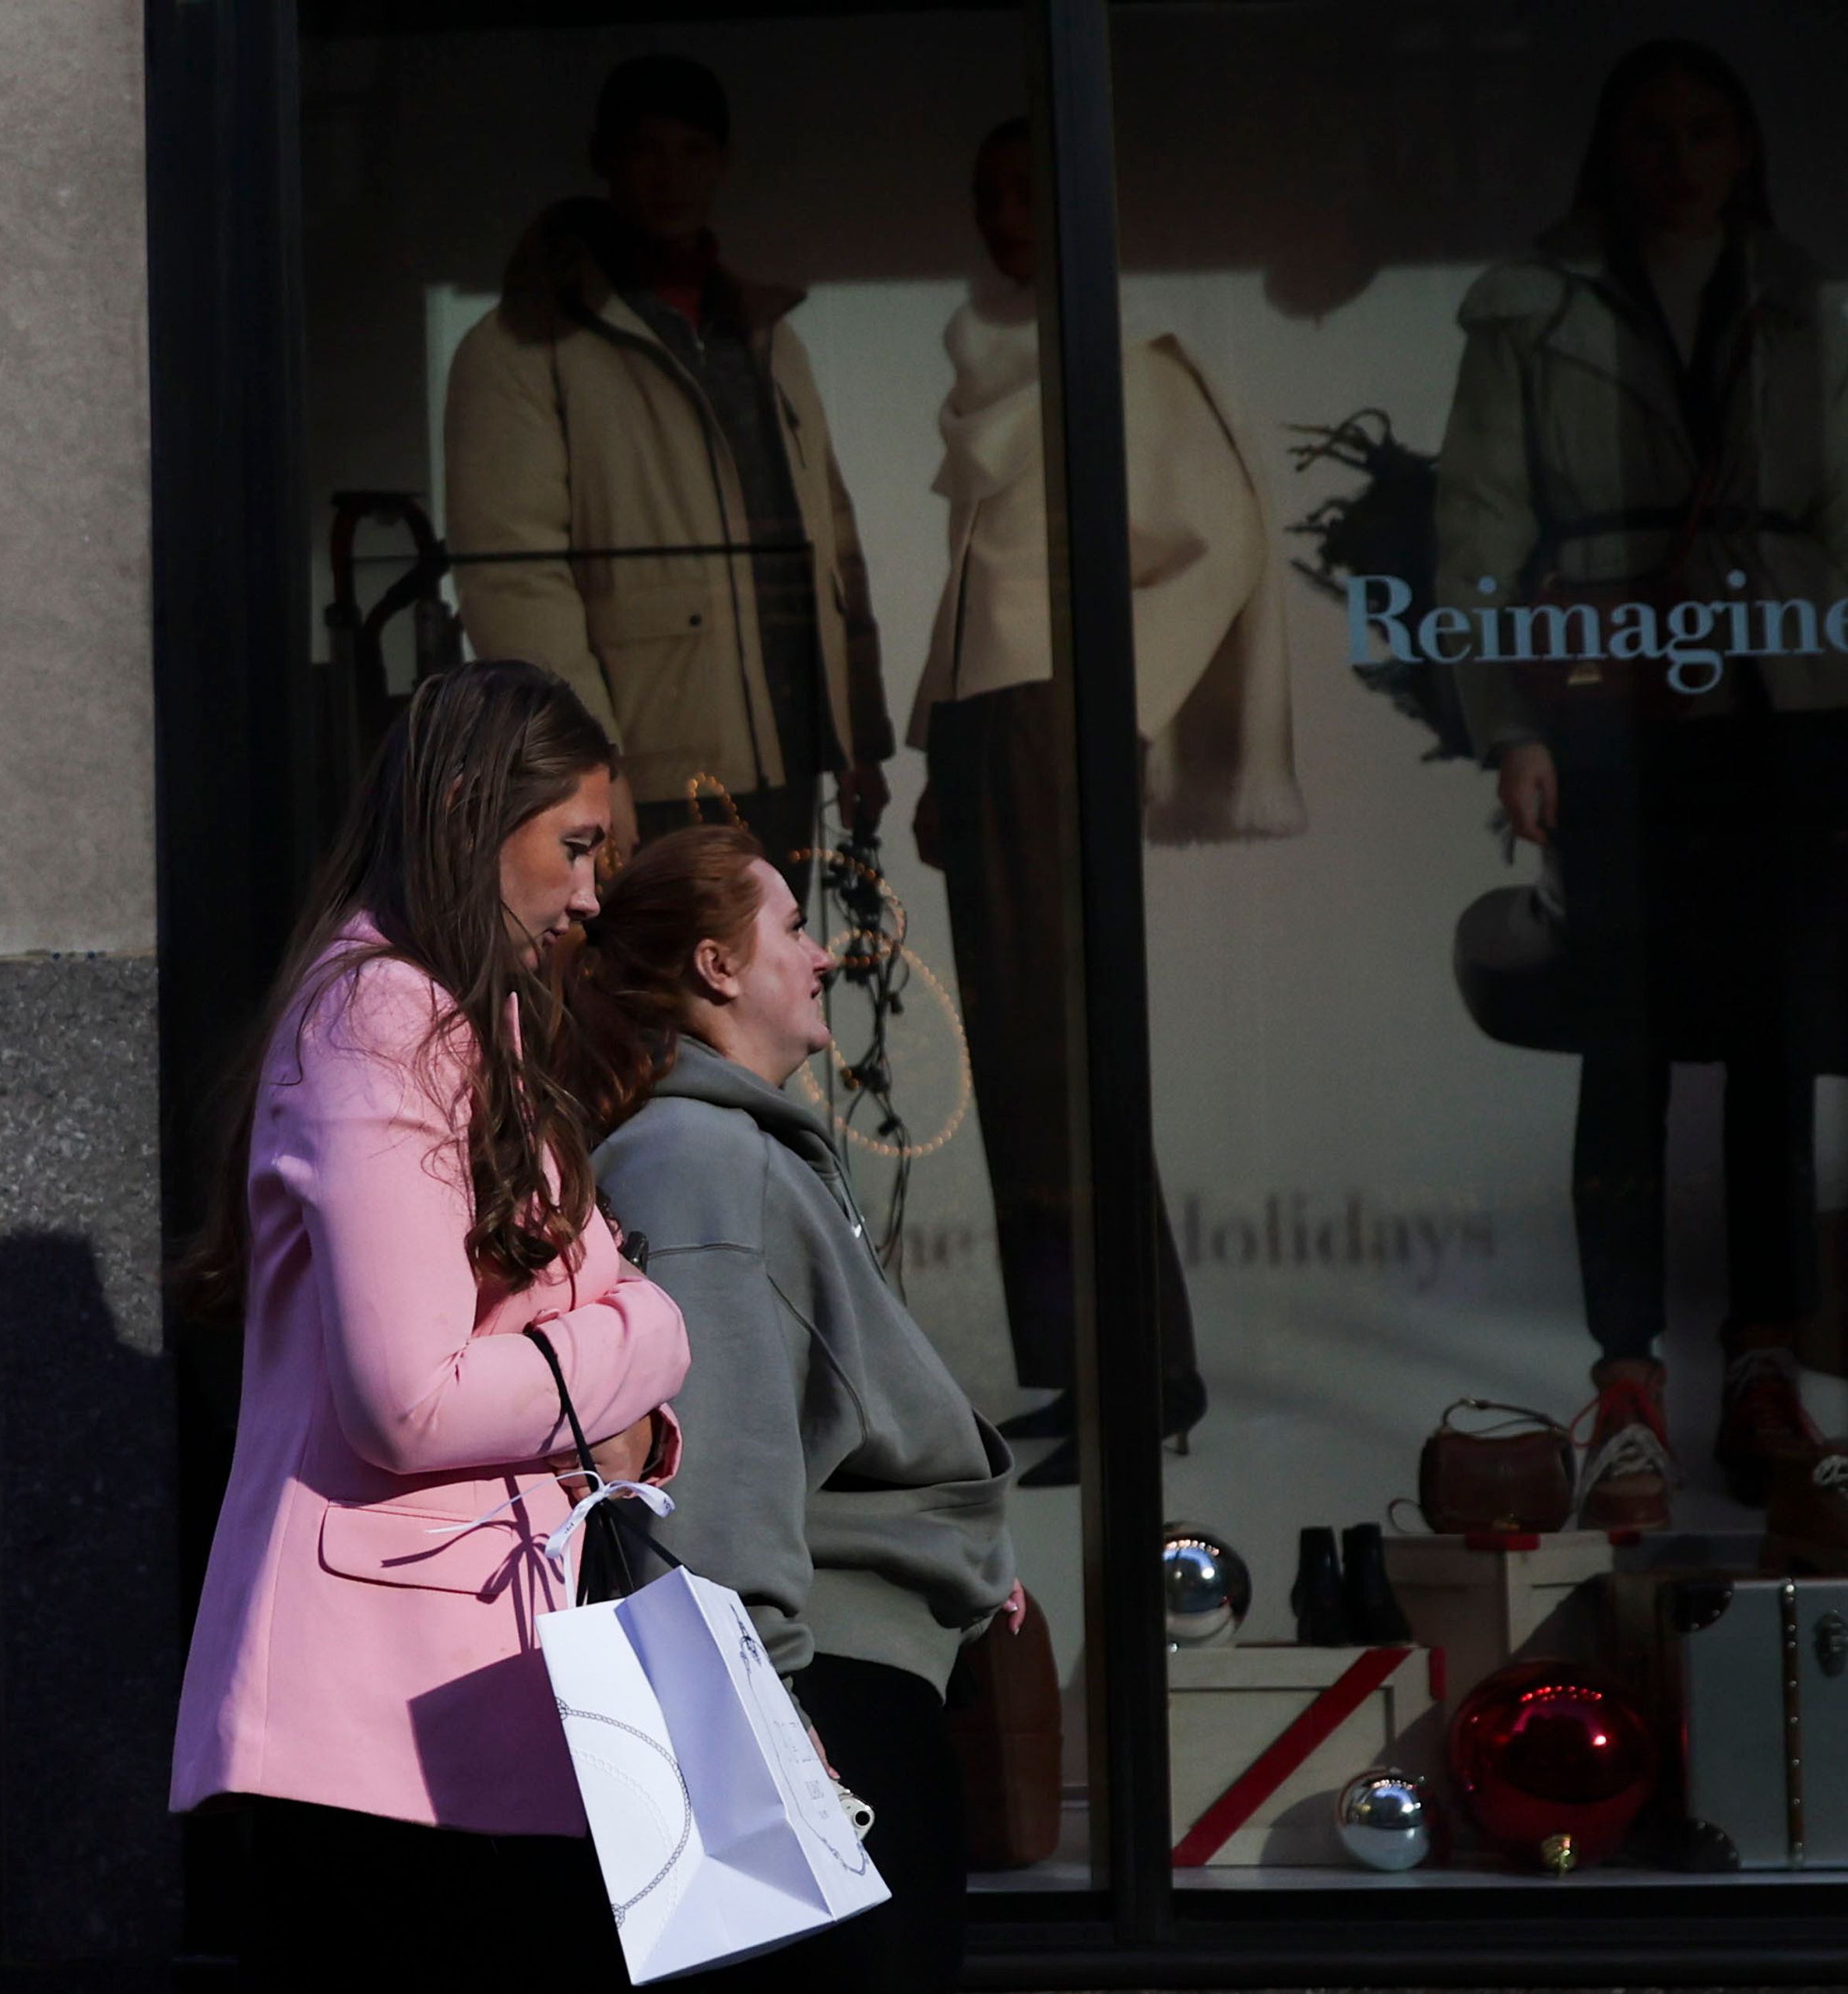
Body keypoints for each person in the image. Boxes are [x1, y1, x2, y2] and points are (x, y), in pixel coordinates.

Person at [171, 661, 690, 1988]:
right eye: (575, 847)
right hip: (375, 1733)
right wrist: (650, 1338)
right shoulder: (379, 1018)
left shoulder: (472, 1019)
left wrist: (623, 1403)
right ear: (468, 808)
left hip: (470, 1710)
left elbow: (544, 1326)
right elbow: (406, 1398)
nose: (591, 896)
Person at [1434, 40, 1848, 1527]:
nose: (1679, 156)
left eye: (1706, 129)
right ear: (1614, 151)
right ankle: (1624, 1384)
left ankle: (1760, 1366)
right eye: (1653, 132)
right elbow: (1478, 518)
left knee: (1775, 1041)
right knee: (1623, 1035)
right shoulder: (1533, 305)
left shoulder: (1804, 301)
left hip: (1788, 695)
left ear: (1745, 147)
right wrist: (1513, 725)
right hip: (1608, 698)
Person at [906, 118, 1304, 1485]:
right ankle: (1087, 1369)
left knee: (1071, 1060)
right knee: (1023, 1071)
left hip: (1047, 726)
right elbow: (979, 578)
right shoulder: (997, 362)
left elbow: (1228, 541)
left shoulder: (1127, 369)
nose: (1009, 214)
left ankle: (1147, 1370)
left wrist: (1109, 695)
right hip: (992, 730)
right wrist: (934, 746)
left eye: (1032, 190)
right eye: (991, 192)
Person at [565, 823, 1017, 1991]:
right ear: (718, 968)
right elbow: (705, 1474)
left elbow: (817, 1407)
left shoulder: (726, 1149)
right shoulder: (698, 1158)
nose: (822, 958)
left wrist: (950, 1543)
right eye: (794, 929)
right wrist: (751, 1723)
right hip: (811, 1693)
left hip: (823, 1674)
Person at [445, 53, 893, 882]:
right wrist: (589, 768)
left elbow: (831, 542)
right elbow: (515, 581)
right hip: (649, 767)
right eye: (647, 148)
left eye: (692, 150)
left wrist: (859, 742)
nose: (669, 175)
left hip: (789, 753)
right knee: (650, 1002)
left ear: (720, 164)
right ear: (606, 159)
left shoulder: (766, 337)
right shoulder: (524, 346)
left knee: (764, 999)